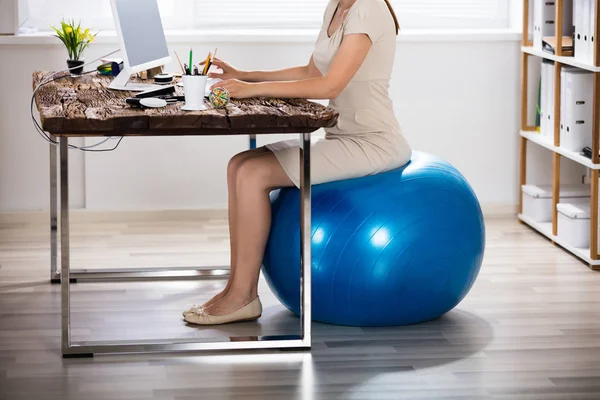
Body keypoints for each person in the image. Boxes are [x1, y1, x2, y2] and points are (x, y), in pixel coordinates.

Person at [182, 0, 412, 325]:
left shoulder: (369, 8)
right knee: (239, 164)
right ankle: (235, 287)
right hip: (342, 137)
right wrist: (245, 76)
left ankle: (242, 296)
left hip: (373, 141)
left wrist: (248, 91)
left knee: (251, 172)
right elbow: (311, 73)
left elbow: (330, 85)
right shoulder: (336, 7)